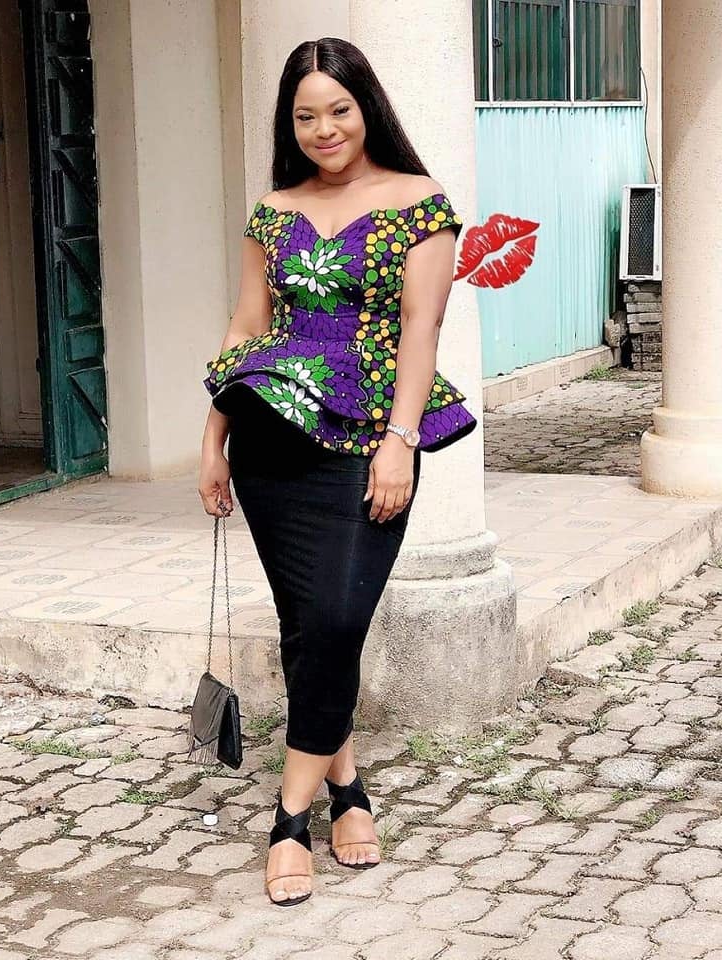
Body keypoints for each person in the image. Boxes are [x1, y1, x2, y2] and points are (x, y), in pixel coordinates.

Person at [198, 37, 477, 907]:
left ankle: (289, 816)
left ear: (367, 107)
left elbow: (422, 330)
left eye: (339, 110)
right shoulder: (272, 211)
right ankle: (345, 786)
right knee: (309, 625)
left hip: (365, 441)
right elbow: (246, 329)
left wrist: (400, 441)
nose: (324, 129)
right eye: (305, 115)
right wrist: (211, 439)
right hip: (268, 443)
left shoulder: (419, 204)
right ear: (290, 123)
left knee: (337, 616)